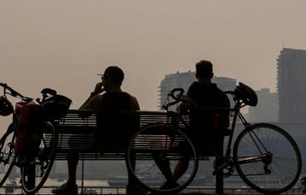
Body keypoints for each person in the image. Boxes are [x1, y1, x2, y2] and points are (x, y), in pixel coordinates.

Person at [53, 66, 141, 195]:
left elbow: (80, 113)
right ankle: (132, 185)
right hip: (124, 144)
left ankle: (71, 183)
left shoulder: (99, 99)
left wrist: (94, 93)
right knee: (130, 144)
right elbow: (136, 124)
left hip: (101, 142)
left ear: (109, 80)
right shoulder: (132, 100)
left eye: (103, 78)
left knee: (73, 141)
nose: (102, 81)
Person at [158, 60, 231, 189]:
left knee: (184, 153)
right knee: (186, 149)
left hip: (197, 138)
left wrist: (181, 107)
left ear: (196, 75)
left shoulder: (195, 88)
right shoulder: (221, 94)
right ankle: (171, 182)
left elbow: (184, 108)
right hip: (215, 142)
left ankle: (171, 182)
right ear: (212, 75)